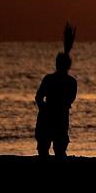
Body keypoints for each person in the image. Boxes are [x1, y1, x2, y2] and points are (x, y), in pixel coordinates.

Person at [34, 26, 78, 158]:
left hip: (48, 117)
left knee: (44, 150)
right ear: (68, 66)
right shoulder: (71, 82)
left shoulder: (49, 79)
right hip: (60, 117)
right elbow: (70, 99)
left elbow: (38, 97)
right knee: (59, 150)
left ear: (56, 64)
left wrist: (44, 108)